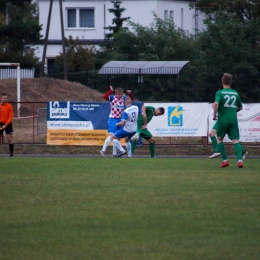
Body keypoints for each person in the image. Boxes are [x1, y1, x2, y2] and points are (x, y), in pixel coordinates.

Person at [213, 73, 244, 168]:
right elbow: (240, 107)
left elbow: (216, 104)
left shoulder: (219, 93)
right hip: (233, 120)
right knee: (236, 141)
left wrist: (214, 115)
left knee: (219, 140)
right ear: (231, 82)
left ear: (222, 82)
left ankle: (225, 160)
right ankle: (239, 160)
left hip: (223, 120)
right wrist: (233, 111)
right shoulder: (235, 93)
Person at [100, 86, 134, 157]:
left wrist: (130, 94)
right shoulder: (112, 98)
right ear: (115, 94)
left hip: (120, 119)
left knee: (117, 137)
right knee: (112, 136)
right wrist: (110, 90)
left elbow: (131, 99)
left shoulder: (123, 99)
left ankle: (114, 154)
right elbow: (104, 97)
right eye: (119, 94)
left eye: (121, 94)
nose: (120, 95)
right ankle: (104, 150)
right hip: (113, 119)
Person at [0, 93, 14, 157]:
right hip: (0, 123)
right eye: (3, 98)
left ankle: (11, 153)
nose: (5, 99)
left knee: (9, 138)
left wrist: (5, 125)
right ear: (1, 98)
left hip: (8, 124)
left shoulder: (9, 106)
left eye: (6, 98)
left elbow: (10, 117)